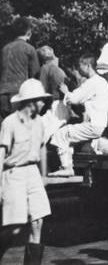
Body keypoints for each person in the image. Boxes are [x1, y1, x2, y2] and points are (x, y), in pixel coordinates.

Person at [0, 79, 52, 265]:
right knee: (14, 227)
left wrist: (44, 175)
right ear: (31, 101)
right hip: (13, 174)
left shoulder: (39, 122)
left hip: (33, 174)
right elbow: (1, 153)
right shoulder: (10, 122)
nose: (44, 104)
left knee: (37, 222)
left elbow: (42, 147)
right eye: (41, 100)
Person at [48, 54, 108, 176]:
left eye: (80, 66)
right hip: (99, 124)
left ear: (88, 66)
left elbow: (74, 99)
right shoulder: (102, 81)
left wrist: (66, 92)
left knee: (61, 134)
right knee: (73, 139)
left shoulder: (91, 83)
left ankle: (66, 167)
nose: (78, 69)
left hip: (93, 124)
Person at [0, 17, 40, 120]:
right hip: (18, 94)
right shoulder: (29, 49)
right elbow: (35, 75)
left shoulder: (5, 49)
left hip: (2, 93)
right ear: (29, 32)